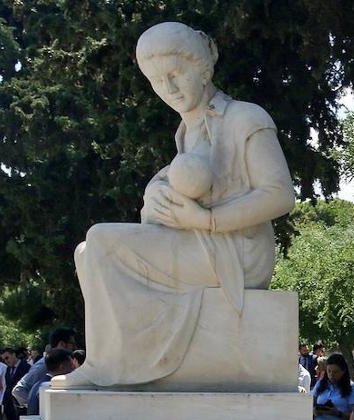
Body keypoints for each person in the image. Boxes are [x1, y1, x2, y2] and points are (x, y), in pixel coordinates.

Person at [60, 22, 296, 389]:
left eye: (174, 75)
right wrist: (156, 197)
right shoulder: (186, 131)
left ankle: (108, 367)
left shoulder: (245, 118)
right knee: (85, 251)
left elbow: (280, 194)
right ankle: (119, 360)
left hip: (237, 250)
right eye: (157, 81)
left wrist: (208, 219)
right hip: (201, 241)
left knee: (101, 240)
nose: (168, 89)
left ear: (202, 68)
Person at [13, 328, 78, 409]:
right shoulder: (43, 365)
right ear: (61, 344)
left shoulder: (54, 362)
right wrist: (39, 408)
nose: (74, 347)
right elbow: (18, 390)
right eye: (72, 343)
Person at [28, 350, 75, 417]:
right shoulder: (53, 388)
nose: (73, 369)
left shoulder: (38, 385)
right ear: (62, 366)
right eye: (71, 365)